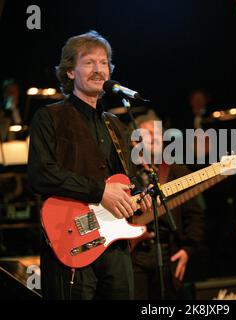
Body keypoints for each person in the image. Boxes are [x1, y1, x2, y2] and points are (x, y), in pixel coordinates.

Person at [27, 30, 152, 300]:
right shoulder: (49, 117)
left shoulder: (115, 124)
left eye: (104, 62)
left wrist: (139, 195)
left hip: (115, 245)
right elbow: (41, 174)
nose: (99, 69)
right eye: (89, 62)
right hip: (70, 240)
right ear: (70, 72)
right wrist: (99, 192)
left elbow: (125, 181)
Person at [131, 111, 204, 299]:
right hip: (132, 255)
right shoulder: (126, 173)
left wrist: (188, 250)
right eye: (147, 134)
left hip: (167, 253)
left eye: (157, 134)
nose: (154, 138)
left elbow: (195, 215)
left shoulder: (177, 171)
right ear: (134, 142)